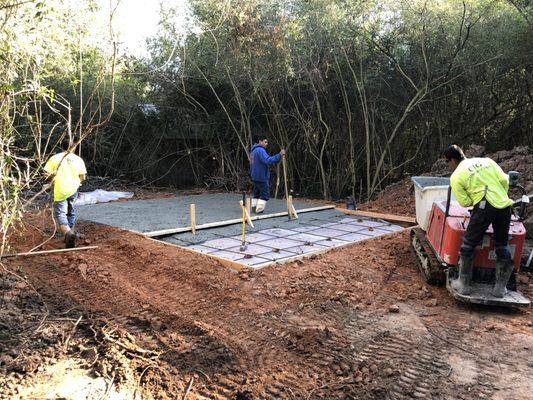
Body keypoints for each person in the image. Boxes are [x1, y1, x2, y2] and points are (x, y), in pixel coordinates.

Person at [443, 144, 514, 297]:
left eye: (447, 162)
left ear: (453, 160)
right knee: (502, 245)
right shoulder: (487, 161)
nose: (448, 165)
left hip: (483, 207)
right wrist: (499, 195)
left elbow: (464, 202)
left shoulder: (456, 176)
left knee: (468, 245)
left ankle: (463, 284)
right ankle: (500, 289)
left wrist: (477, 200)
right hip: (505, 205)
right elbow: (504, 180)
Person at [44, 136, 87, 248]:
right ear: (73, 147)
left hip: (60, 189)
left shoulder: (55, 158)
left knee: (60, 213)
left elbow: (46, 175)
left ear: (61, 146)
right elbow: (82, 177)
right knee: (70, 210)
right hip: (73, 189)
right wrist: (78, 183)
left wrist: (50, 182)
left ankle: (68, 232)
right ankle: (70, 231)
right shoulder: (78, 159)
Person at [250, 134, 285, 213]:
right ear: (260, 141)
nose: (267, 144)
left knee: (257, 194)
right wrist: (279, 155)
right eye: (265, 142)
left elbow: (251, 164)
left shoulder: (253, 151)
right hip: (261, 176)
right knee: (265, 195)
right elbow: (268, 160)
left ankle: (254, 209)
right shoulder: (260, 150)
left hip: (254, 176)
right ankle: (259, 211)